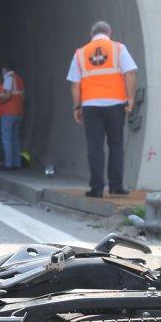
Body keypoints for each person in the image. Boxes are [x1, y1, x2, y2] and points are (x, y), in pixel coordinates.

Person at [67, 20, 137, 197]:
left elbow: (75, 83)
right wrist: (130, 98)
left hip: (90, 106)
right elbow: (130, 72)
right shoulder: (119, 48)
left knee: (95, 146)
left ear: (91, 35)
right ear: (109, 32)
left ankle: (96, 189)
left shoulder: (80, 53)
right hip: (115, 104)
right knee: (116, 144)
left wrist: (77, 106)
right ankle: (116, 186)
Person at [0, 59, 25, 170]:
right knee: (15, 138)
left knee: (6, 138)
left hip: (8, 112)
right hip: (19, 112)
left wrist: (0, 101)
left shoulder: (8, 78)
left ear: (4, 69)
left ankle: (8, 164)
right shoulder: (19, 79)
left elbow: (7, 95)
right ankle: (17, 163)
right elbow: (23, 97)